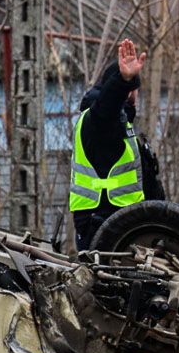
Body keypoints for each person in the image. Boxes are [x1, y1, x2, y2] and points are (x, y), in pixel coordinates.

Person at [69, 39, 166, 249]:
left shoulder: (122, 124)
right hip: (103, 223)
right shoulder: (99, 120)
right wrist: (123, 81)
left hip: (121, 222)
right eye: (135, 89)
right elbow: (106, 108)